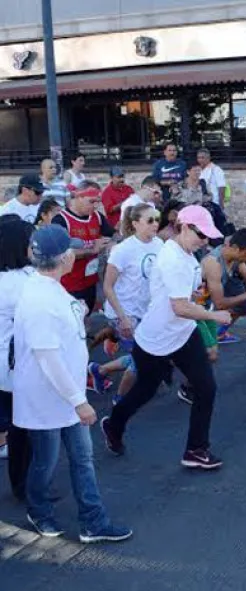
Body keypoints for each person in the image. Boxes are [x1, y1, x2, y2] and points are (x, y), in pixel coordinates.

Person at [14, 224, 132, 543]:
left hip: (65, 396)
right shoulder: (40, 298)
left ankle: (93, 521)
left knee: (81, 459)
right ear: (65, 257)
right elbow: (47, 356)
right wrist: (78, 400)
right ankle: (39, 511)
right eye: (72, 250)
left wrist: (77, 314)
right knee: (46, 461)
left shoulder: (50, 288)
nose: (76, 254)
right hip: (49, 398)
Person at [100, 205, 229, 469]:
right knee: (145, 390)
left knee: (206, 388)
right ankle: (113, 424)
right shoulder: (173, 258)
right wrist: (215, 316)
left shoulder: (182, 252)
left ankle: (196, 450)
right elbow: (179, 307)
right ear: (183, 227)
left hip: (182, 333)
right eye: (200, 235)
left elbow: (183, 302)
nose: (205, 241)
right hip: (155, 338)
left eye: (207, 237)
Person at [88, 204, 164, 403]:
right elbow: (108, 286)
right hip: (123, 313)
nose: (155, 224)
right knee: (142, 359)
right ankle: (120, 400)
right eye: (150, 220)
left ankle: (100, 370)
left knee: (147, 356)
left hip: (146, 312)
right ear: (135, 223)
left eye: (157, 219)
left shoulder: (160, 245)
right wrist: (123, 319)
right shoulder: (123, 250)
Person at [0, 219, 35, 495]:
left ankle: (20, 482)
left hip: (6, 363)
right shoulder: (24, 282)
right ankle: (24, 484)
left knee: (15, 425)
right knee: (23, 428)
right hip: (18, 363)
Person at [52, 181, 115, 315]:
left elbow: (112, 236)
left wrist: (111, 245)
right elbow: (60, 254)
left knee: (87, 318)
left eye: (98, 201)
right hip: (69, 285)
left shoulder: (97, 217)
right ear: (78, 197)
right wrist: (91, 250)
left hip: (91, 282)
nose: (96, 205)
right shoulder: (61, 220)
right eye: (91, 201)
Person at [201, 228, 246, 344]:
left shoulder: (235, 258)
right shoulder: (214, 264)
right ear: (236, 248)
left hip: (215, 293)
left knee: (243, 307)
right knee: (209, 353)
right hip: (197, 305)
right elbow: (219, 303)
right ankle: (208, 332)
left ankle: (219, 333)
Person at [197, 148, 227, 213]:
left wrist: (221, 205)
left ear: (208, 158)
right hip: (202, 204)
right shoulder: (198, 171)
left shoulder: (216, 170)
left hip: (214, 204)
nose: (200, 160)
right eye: (199, 158)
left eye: (202, 158)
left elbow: (222, 187)